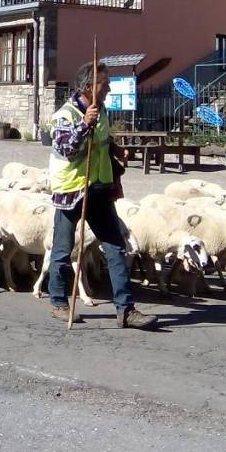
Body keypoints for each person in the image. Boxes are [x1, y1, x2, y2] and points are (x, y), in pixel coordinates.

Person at [46, 61, 158, 329]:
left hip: (98, 188)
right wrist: (85, 124)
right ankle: (59, 302)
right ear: (88, 87)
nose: (108, 88)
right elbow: (66, 148)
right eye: (104, 84)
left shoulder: (102, 110)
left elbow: (103, 139)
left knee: (115, 247)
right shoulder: (65, 115)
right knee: (63, 249)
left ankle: (126, 310)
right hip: (72, 190)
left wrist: (116, 150)